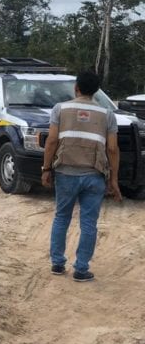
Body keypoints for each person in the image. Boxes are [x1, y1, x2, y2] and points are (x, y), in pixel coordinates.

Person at [41, 70, 121, 282]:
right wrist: (113, 180)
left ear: (76, 87)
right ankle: (81, 269)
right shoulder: (107, 114)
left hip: (65, 172)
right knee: (89, 223)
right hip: (94, 175)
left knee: (61, 217)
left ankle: (58, 264)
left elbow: (51, 141)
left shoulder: (60, 109)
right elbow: (112, 149)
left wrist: (46, 169)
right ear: (96, 90)